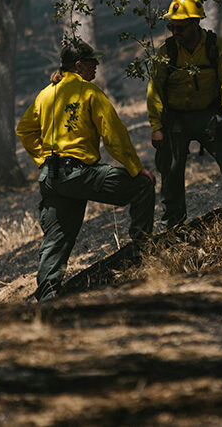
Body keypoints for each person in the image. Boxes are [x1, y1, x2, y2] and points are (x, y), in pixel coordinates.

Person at [16, 39, 155, 302]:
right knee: (143, 186)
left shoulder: (45, 95)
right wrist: (136, 169)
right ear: (79, 66)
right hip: (79, 174)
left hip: (51, 178)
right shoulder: (89, 92)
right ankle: (143, 249)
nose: (97, 65)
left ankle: (47, 300)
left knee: (56, 238)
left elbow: (24, 130)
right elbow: (115, 137)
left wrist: (42, 159)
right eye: (93, 62)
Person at [147, 0, 222, 228]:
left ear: (196, 23)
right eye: (171, 26)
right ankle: (173, 224)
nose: (175, 32)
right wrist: (157, 128)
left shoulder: (216, 47)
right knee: (170, 168)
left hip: (208, 116)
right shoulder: (167, 52)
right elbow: (154, 91)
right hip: (174, 119)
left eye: (180, 27)